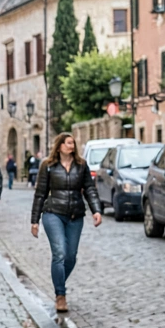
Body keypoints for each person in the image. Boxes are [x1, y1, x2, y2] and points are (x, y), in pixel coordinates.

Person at [30, 133, 101, 313]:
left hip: (75, 216)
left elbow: (90, 189)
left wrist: (96, 210)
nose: (71, 146)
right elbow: (40, 194)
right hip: (53, 213)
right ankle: (60, 295)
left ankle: (58, 279)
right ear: (60, 145)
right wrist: (34, 220)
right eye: (68, 143)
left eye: (73, 143)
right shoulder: (48, 166)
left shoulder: (81, 165)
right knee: (59, 252)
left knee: (70, 257)